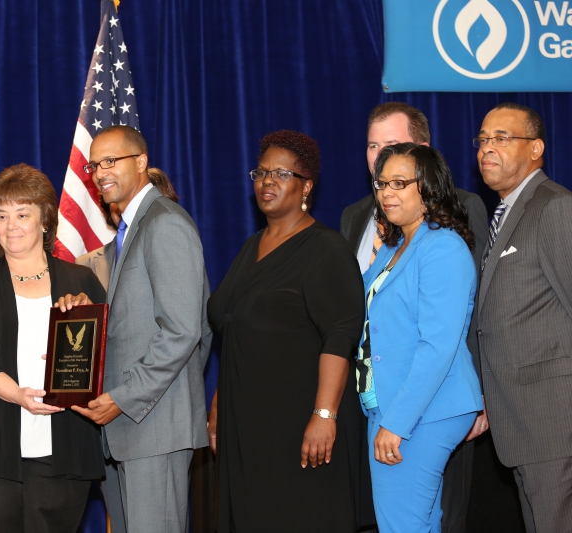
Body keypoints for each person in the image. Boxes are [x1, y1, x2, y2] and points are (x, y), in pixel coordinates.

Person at [340, 102, 489, 533]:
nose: (386, 193)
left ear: (428, 186)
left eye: (399, 183)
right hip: (390, 403)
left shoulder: (442, 247)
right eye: (382, 183)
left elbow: (437, 345)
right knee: (414, 523)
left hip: (423, 409)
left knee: (402, 525)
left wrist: (397, 423)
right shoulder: (393, 246)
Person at [207, 130, 366, 532]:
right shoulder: (251, 247)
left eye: (281, 173)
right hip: (249, 427)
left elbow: (340, 336)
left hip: (299, 426)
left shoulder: (327, 249)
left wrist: (324, 415)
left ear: (306, 185)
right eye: (261, 172)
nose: (267, 181)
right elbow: (236, 335)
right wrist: (218, 407)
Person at [0, 164, 106, 533]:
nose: (11, 225)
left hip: (64, 445)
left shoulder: (81, 282)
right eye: (2, 215)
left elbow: (106, 354)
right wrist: (17, 395)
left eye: (23, 214)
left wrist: (87, 318)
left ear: (45, 220)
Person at [62, 125, 210, 533]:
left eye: (111, 161)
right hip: (124, 428)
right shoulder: (130, 231)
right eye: (94, 165)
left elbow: (182, 331)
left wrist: (122, 398)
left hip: (152, 424)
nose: (100, 173)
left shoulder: (165, 223)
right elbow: (133, 322)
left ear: (141, 161)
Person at [475, 102, 572, 533]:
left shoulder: (555, 208)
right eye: (482, 140)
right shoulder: (507, 213)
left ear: (536, 148)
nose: (486, 148)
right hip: (520, 423)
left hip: (555, 423)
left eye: (501, 138)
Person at [74, 166, 180, 533]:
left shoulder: (171, 239)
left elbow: (187, 335)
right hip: (101, 426)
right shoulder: (86, 267)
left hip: (152, 419)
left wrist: (135, 397)